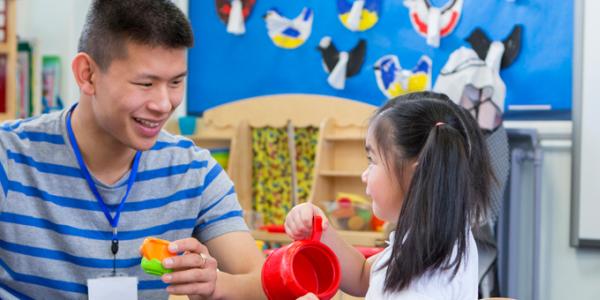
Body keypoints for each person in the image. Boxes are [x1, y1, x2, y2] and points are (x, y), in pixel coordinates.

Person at [0, 1, 265, 299]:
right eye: (146, 83)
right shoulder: (9, 156)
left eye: (176, 82)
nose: (164, 104)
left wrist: (215, 283)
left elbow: (260, 282)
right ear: (87, 74)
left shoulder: (194, 172)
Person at [286, 91, 494, 299]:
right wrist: (323, 233)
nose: (364, 175)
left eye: (372, 160)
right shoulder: (431, 240)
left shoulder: (427, 278)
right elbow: (363, 275)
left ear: (416, 173)